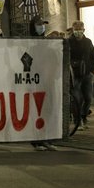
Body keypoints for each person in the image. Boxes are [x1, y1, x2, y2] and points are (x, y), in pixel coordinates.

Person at [28, 16, 58, 152]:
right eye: (39, 24)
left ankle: (47, 138)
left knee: (48, 110)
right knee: (36, 111)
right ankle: (37, 141)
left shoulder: (47, 43)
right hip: (35, 83)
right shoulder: (28, 43)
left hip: (48, 82)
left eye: (43, 24)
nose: (42, 27)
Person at [68, 20, 94, 130]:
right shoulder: (68, 42)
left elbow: (93, 57)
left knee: (88, 98)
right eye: (76, 30)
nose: (78, 32)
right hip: (75, 74)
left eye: (80, 30)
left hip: (87, 74)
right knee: (77, 98)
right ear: (73, 30)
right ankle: (77, 120)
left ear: (84, 30)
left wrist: (91, 71)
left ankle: (84, 116)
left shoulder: (88, 42)